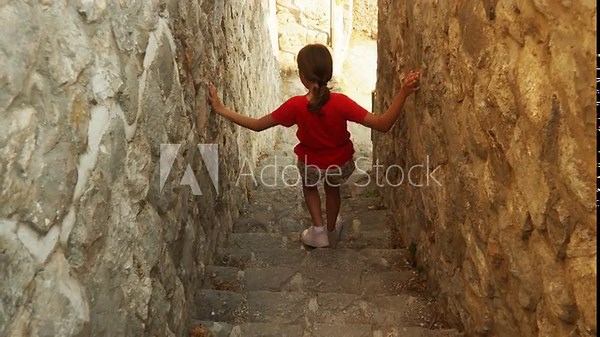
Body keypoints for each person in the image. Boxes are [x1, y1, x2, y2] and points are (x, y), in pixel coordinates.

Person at [207, 43, 420, 248]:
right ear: (328, 71)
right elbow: (383, 124)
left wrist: (221, 109)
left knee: (310, 188)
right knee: (332, 187)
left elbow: (256, 125)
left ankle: (318, 231)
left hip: (310, 164)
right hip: (339, 163)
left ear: (302, 75)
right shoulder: (341, 102)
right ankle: (331, 230)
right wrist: (403, 92)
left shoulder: (295, 106)